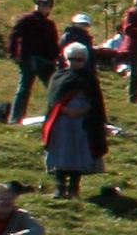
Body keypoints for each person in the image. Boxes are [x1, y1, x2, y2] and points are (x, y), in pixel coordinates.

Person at [38, 41, 110, 199]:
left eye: (79, 59)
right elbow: (53, 101)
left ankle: (74, 189)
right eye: (72, 58)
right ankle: (59, 187)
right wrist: (64, 109)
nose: (75, 62)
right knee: (60, 154)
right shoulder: (58, 76)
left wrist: (83, 110)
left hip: (82, 123)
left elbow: (96, 102)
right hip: (61, 122)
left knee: (78, 155)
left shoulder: (90, 78)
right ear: (66, 58)